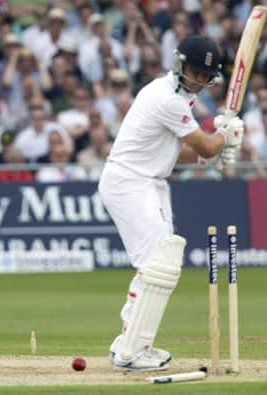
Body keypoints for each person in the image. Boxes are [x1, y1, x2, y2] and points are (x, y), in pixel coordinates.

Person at [97, 36, 244, 371]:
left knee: (161, 263)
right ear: (179, 65)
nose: (202, 80)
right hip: (130, 182)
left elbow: (187, 151)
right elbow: (206, 147)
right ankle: (132, 353)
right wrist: (223, 137)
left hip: (148, 181)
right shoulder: (167, 99)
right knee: (155, 266)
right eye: (196, 71)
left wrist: (217, 142)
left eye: (207, 75)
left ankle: (129, 342)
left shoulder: (174, 98)